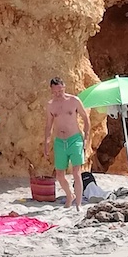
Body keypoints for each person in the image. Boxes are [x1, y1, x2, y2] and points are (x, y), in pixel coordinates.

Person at [44, 79, 90, 212]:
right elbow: (48, 125)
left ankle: (79, 204)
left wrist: (86, 138)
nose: (58, 93)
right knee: (59, 174)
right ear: (51, 90)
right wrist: (46, 142)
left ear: (64, 87)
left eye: (60, 90)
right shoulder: (51, 105)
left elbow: (86, 119)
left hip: (75, 139)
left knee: (76, 172)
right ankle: (70, 196)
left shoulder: (74, 101)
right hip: (59, 141)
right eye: (55, 91)